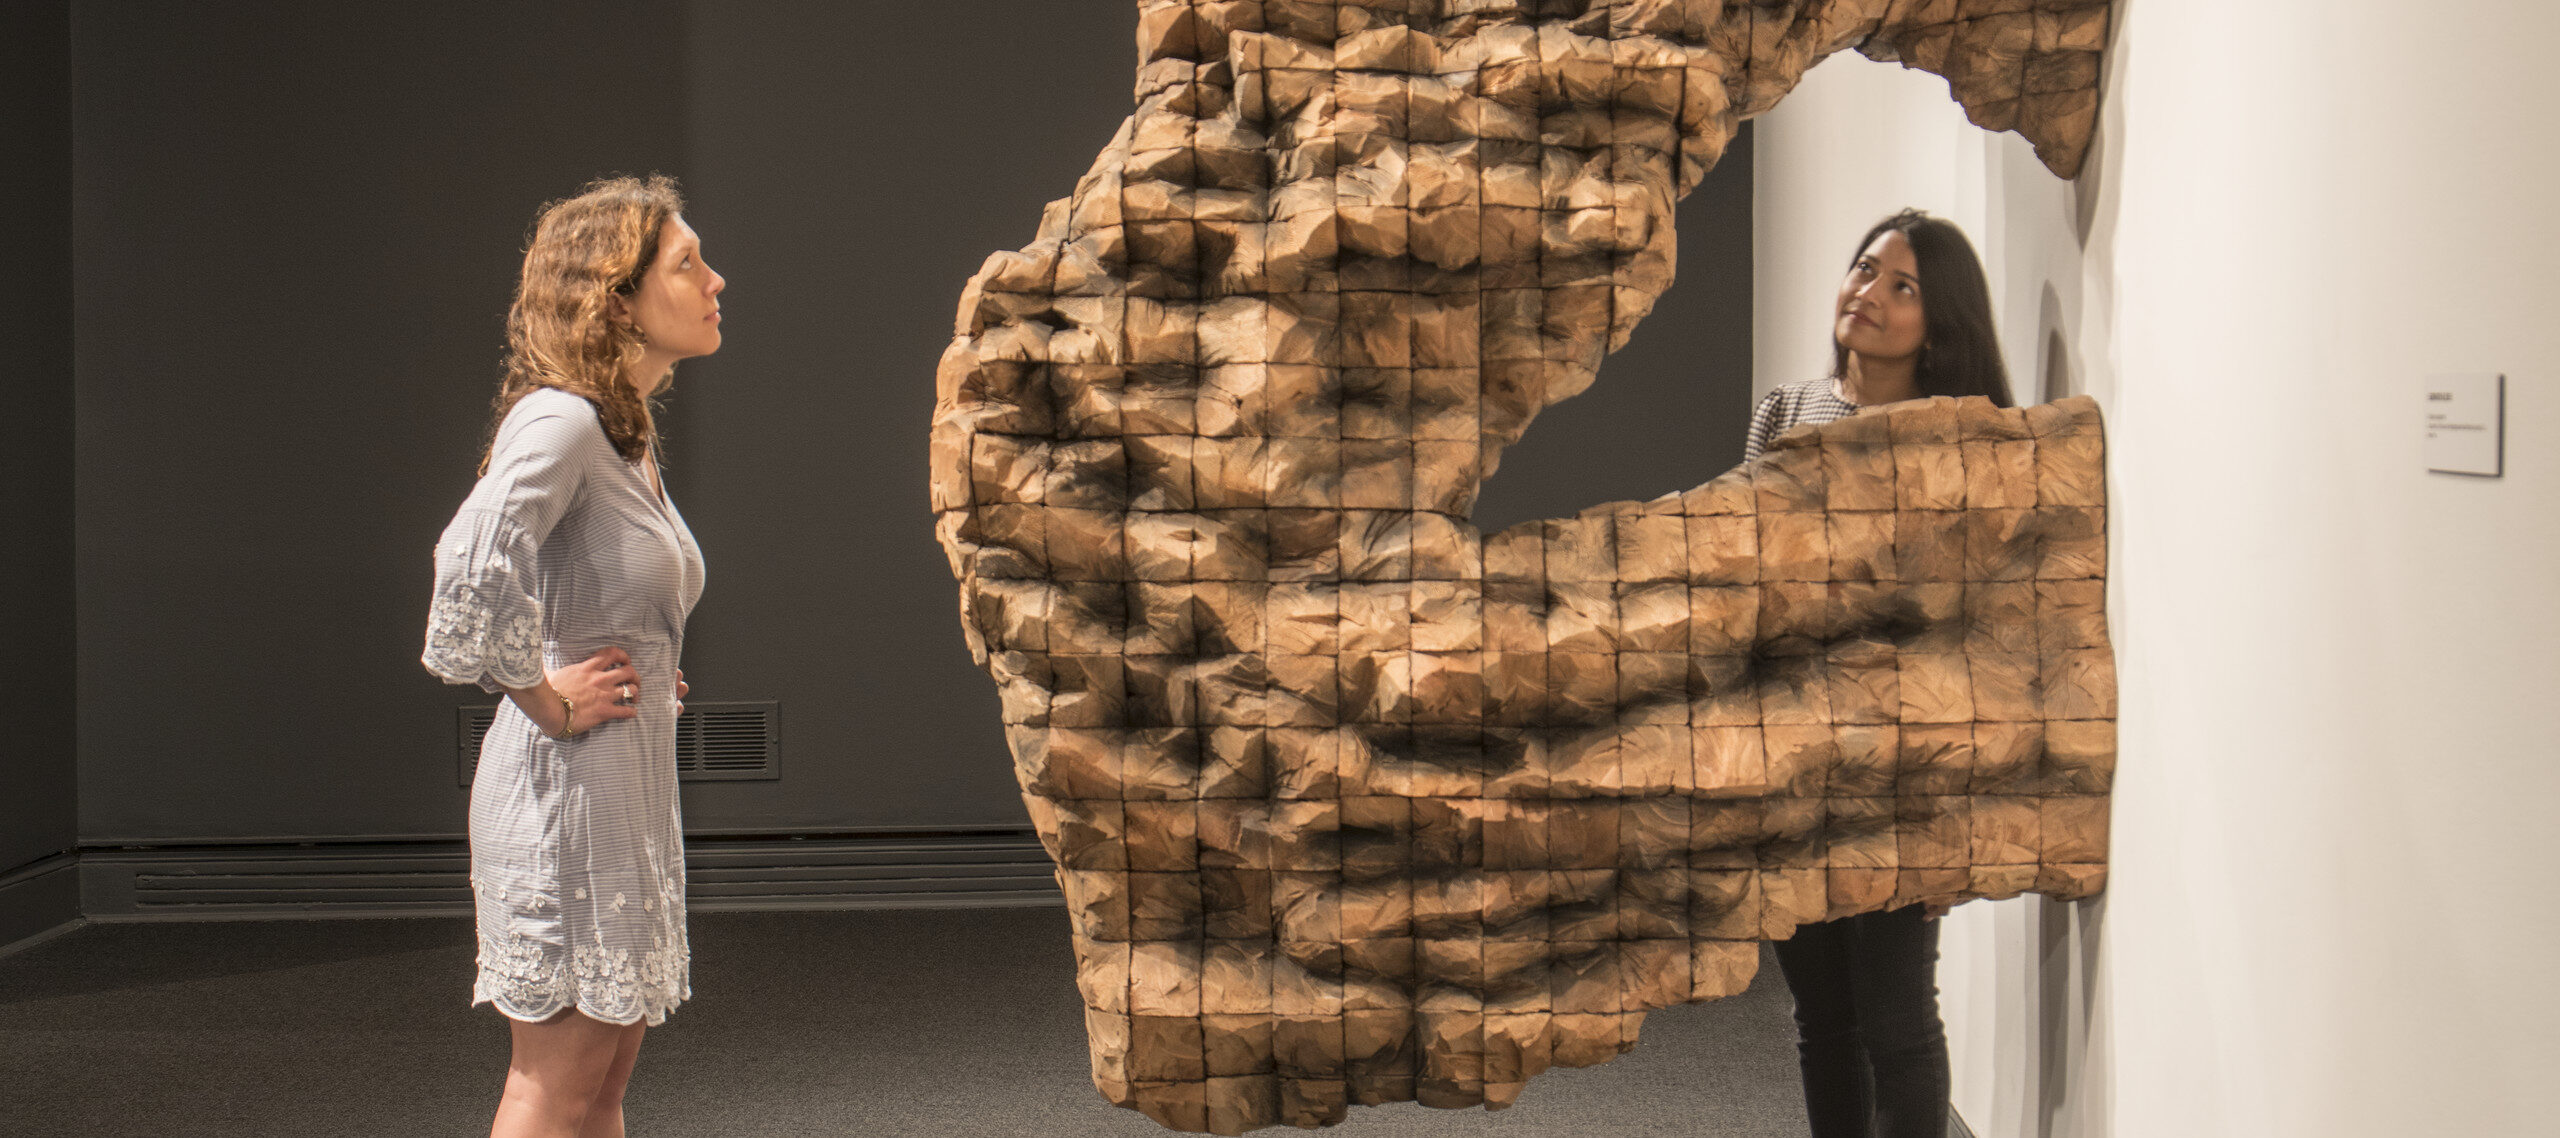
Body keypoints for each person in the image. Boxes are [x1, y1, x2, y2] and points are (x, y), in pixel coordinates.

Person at [421, 174, 722, 1138]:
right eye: (688, 263)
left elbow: (598, 587)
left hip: (618, 795)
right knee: (553, 1085)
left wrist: (646, 657)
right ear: (616, 297)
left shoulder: (622, 433)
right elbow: (468, 568)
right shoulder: (563, 421)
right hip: (562, 798)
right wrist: (545, 697)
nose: (717, 281)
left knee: (601, 1085)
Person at [1747, 208, 2011, 1138]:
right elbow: (1739, 577)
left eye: (1904, 287)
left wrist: (1959, 808)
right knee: (1823, 1015)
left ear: (1941, 324)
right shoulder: (1788, 411)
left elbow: (1980, 634)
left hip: (1903, 764)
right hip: (1790, 751)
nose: (1871, 296)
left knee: (1897, 1018)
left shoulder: (1961, 443)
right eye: (1866, 271)